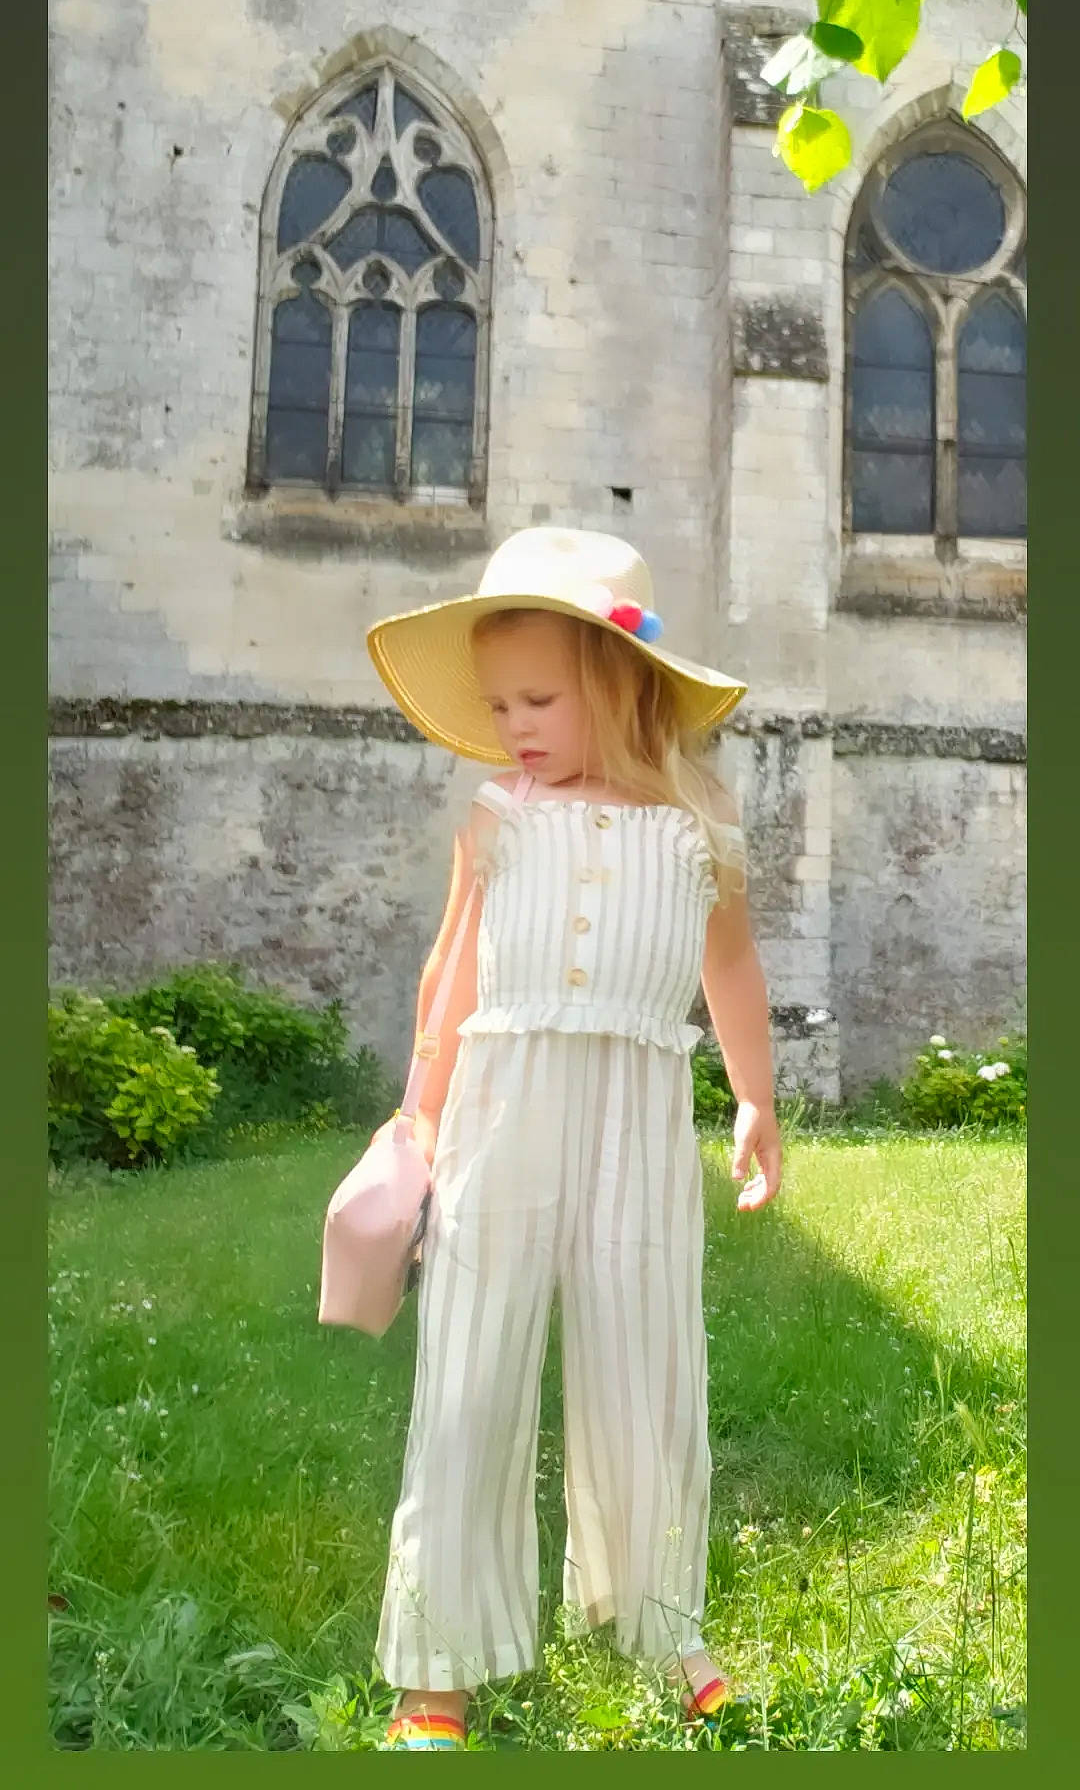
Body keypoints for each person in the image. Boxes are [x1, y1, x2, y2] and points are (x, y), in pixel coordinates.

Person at [364, 527, 783, 1751]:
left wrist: (755, 1097)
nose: (513, 725)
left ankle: (660, 1619)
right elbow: (449, 981)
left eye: (538, 698)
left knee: (645, 1362)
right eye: (497, 704)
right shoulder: (499, 817)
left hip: (638, 1127)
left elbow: (733, 963)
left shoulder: (698, 823)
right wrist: (414, 1126)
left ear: (622, 683)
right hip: (500, 1120)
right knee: (471, 1370)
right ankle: (435, 1665)